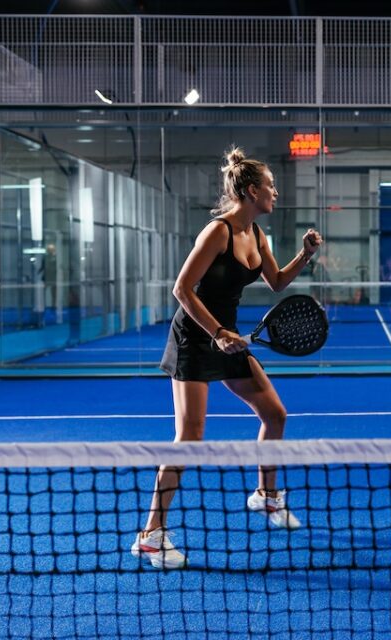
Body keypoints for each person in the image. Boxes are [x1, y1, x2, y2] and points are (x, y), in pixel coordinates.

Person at [131, 148, 323, 570]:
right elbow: (182, 289)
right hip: (196, 338)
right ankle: (150, 535)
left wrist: (305, 255)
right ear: (252, 191)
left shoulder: (258, 235)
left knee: (275, 414)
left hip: (230, 338)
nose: (276, 192)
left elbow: (276, 283)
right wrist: (216, 333)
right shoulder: (216, 232)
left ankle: (267, 497)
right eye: (271, 186)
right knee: (189, 438)